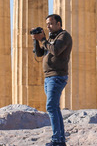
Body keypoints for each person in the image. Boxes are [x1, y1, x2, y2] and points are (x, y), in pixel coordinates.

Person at [32, 14, 73, 146]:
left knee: (50, 106)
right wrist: (36, 40)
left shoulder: (64, 36)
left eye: (50, 23)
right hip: (49, 77)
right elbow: (39, 54)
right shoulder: (51, 38)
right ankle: (60, 140)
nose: (48, 26)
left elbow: (55, 50)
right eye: (47, 24)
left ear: (58, 24)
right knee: (54, 107)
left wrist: (43, 39)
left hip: (57, 76)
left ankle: (57, 140)